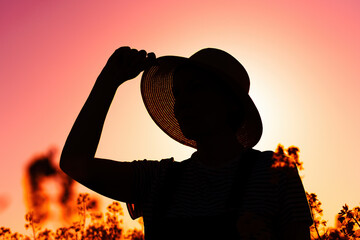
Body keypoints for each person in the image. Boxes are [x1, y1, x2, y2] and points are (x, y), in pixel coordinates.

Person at [60, 46, 313, 239]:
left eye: (196, 88)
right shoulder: (156, 178)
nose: (180, 104)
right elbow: (74, 162)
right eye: (177, 94)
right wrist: (108, 81)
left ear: (230, 103)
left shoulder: (274, 172)